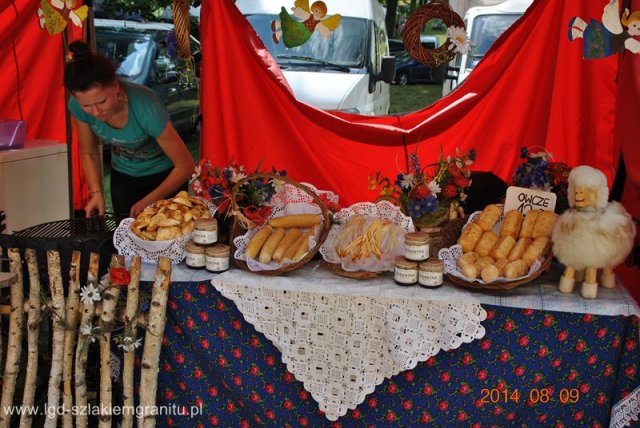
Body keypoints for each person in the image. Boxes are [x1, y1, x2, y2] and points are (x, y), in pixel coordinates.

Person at [63, 41, 195, 218]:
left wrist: (149, 201)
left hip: (165, 175)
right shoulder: (77, 107)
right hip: (124, 176)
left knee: (166, 235)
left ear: (116, 88)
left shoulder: (145, 106)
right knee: (126, 235)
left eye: (102, 102)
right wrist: (96, 192)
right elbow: (89, 153)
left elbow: (185, 165)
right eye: (86, 105)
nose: (96, 112)